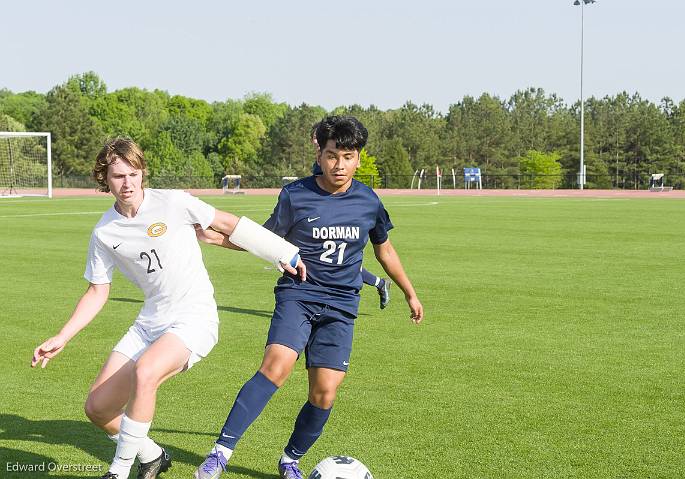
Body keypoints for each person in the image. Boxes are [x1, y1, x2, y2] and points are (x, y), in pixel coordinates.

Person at [31, 138, 305, 479]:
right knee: (98, 408)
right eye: (118, 176)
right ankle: (153, 455)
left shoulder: (173, 202)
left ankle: (118, 471)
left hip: (194, 318)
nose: (128, 183)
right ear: (105, 178)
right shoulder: (105, 232)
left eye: (134, 174)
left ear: (143, 172)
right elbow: (97, 291)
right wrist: (63, 335)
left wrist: (281, 250)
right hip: (150, 322)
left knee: (147, 372)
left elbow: (227, 225)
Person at [194, 115, 423, 479]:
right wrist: (216, 238)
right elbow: (265, 239)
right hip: (298, 295)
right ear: (320, 155)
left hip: (343, 305)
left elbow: (385, 250)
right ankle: (220, 453)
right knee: (276, 366)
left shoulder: (368, 201)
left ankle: (290, 460)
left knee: (325, 393)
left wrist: (410, 292)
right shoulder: (296, 195)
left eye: (348, 156)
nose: (339, 165)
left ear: (358, 158)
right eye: (332, 155)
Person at [311, 127, 391, 309]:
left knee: (342, 262)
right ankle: (379, 283)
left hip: (333, 221)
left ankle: (379, 283)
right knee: (336, 261)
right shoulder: (320, 164)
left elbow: (386, 251)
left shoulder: (366, 198)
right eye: (315, 139)